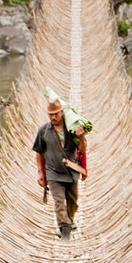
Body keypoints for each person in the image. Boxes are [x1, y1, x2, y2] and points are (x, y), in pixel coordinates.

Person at [32, 98, 87, 240]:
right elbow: (38, 152)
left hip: (71, 171)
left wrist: (81, 138)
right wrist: (40, 172)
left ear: (62, 112)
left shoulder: (72, 129)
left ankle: (68, 221)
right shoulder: (43, 131)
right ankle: (65, 231)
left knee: (73, 202)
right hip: (53, 172)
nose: (53, 117)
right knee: (59, 202)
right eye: (50, 114)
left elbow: (83, 149)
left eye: (56, 114)